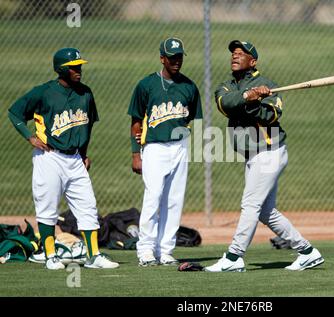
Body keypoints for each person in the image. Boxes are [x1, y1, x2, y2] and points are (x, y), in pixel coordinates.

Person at [205, 40, 324, 272]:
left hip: (269, 152)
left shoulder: (268, 85)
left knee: (250, 204)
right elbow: (225, 104)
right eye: (233, 53)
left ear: (253, 61)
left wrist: (257, 100)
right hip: (253, 155)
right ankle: (308, 252)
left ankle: (234, 257)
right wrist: (249, 95)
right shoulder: (227, 86)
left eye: (241, 53)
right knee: (266, 213)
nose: (235, 56)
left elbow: (271, 116)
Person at [7, 48, 119, 270]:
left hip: (75, 159)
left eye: (79, 66)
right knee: (47, 206)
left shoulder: (86, 93)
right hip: (49, 158)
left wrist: (84, 154)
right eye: (73, 67)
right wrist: (30, 137)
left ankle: (93, 255)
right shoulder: (44, 92)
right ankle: (50, 256)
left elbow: (86, 127)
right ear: (61, 69)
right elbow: (15, 112)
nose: (79, 70)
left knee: (87, 206)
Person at [128, 37, 203, 267]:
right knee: (153, 198)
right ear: (162, 58)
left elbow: (193, 119)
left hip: (179, 148)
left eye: (179, 56)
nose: (176, 61)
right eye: (171, 57)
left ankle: (166, 250)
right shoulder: (147, 85)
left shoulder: (189, 87)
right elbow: (136, 120)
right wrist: (135, 153)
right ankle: (146, 250)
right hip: (154, 148)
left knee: (174, 201)